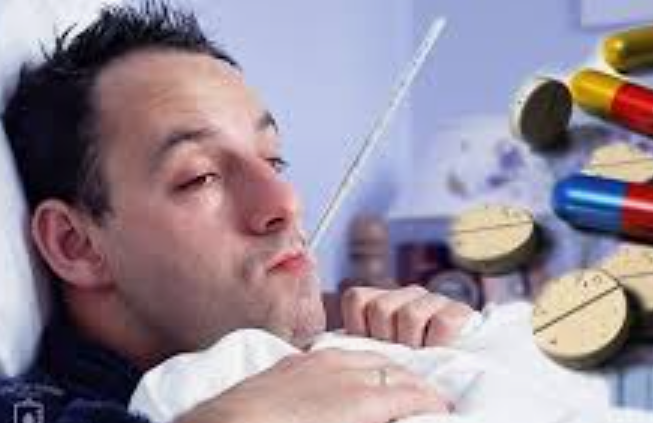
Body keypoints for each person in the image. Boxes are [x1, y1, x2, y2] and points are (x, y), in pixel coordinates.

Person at [0, 3, 473, 423]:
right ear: (75, 244)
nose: (285, 202)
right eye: (200, 177)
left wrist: (424, 340)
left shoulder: (375, 344)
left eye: (274, 161)